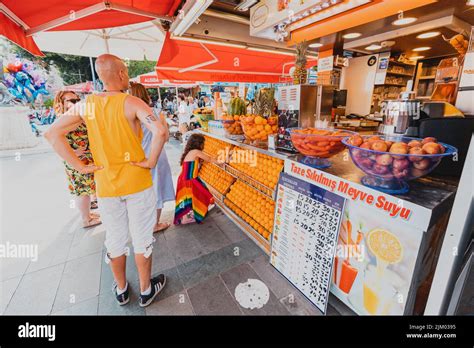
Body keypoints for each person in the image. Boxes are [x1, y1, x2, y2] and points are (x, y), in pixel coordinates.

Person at [45, 54, 168, 308]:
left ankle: (122, 290)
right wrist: (151, 161)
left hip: (106, 186)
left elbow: (52, 133)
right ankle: (146, 290)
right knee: (142, 237)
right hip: (138, 181)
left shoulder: (87, 105)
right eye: (126, 72)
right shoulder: (132, 102)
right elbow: (161, 130)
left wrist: (80, 166)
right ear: (122, 74)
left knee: (115, 237)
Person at [129, 83, 175, 233]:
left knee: (142, 190)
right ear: (146, 95)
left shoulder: (126, 115)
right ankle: (155, 224)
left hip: (136, 157)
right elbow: (165, 136)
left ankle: (143, 222)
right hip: (157, 155)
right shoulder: (156, 112)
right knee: (157, 188)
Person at [53, 91, 101, 228]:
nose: (76, 103)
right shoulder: (63, 118)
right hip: (77, 160)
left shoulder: (74, 115)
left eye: (77, 100)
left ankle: (88, 215)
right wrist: (73, 152)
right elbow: (55, 139)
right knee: (82, 191)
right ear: (61, 103)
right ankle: (86, 219)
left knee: (86, 189)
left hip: (85, 158)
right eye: (71, 101)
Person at [174, 133, 219, 225]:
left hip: (185, 178)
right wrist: (221, 162)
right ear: (199, 143)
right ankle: (186, 218)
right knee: (196, 195)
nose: (204, 145)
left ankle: (186, 216)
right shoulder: (196, 152)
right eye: (203, 143)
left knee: (186, 197)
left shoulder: (190, 152)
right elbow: (209, 159)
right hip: (189, 179)